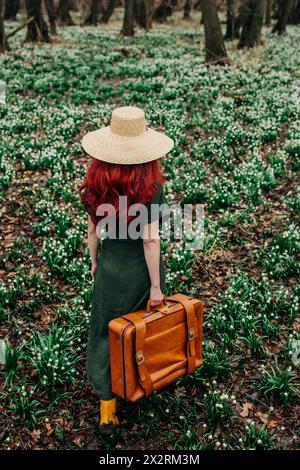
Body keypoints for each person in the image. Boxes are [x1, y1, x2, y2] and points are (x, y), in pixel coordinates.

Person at [79, 106, 174, 426]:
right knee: (142, 329)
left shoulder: (96, 181)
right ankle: (139, 383)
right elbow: (150, 240)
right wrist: (156, 286)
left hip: (111, 267)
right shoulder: (150, 186)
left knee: (106, 332)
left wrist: (95, 263)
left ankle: (108, 408)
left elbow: (93, 232)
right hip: (141, 272)